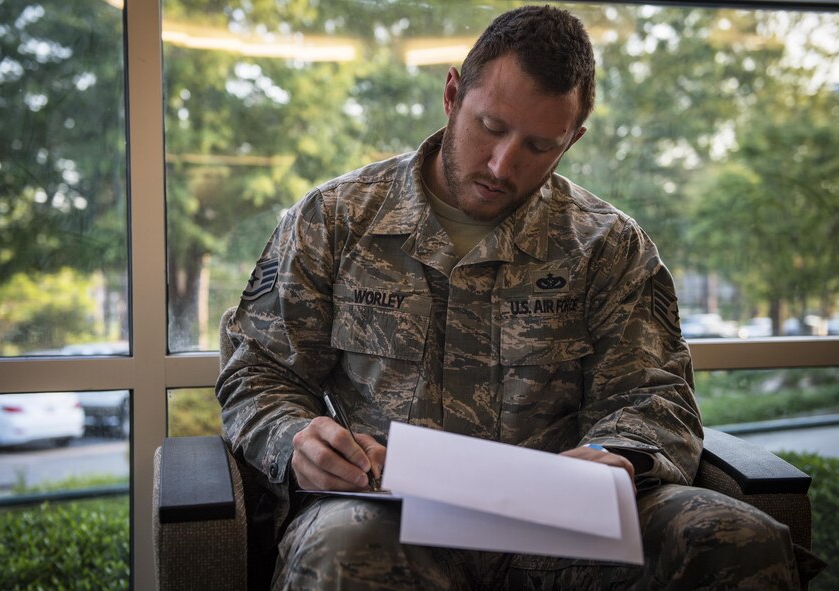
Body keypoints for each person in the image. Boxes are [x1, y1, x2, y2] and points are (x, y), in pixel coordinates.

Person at [217, 6, 804, 589]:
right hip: (386, 513)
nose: (503, 165)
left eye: (539, 145)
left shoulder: (607, 245)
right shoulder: (337, 219)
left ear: (573, 139)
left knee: (735, 541)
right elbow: (259, 374)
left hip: (560, 523)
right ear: (452, 95)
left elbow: (655, 394)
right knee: (343, 550)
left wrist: (619, 452)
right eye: (491, 127)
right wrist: (297, 440)